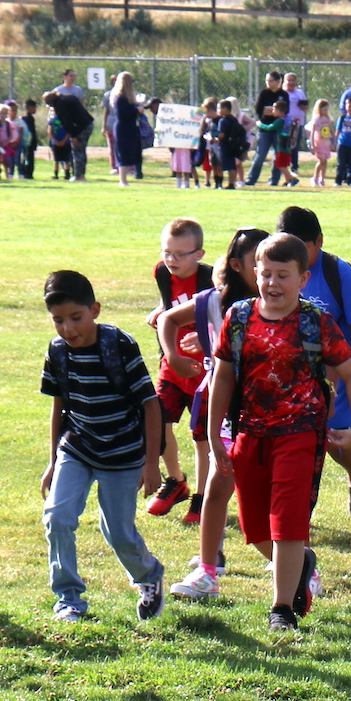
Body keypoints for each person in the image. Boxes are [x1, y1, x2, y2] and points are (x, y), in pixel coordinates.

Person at [202, 233, 351, 630]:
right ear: (253, 275)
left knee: (287, 521)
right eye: (265, 274)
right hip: (250, 433)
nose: (273, 283)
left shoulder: (316, 322)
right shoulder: (238, 318)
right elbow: (223, 378)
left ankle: (282, 610)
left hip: (301, 433)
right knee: (254, 526)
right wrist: (213, 434)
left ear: (303, 278)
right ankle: (302, 564)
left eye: (283, 275)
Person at [37, 270, 166, 623]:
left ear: (94, 309)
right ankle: (69, 599)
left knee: (119, 533)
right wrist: (52, 462)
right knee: (57, 518)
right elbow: (58, 407)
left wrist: (151, 463)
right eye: (58, 321)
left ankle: (149, 576)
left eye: (76, 318)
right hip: (76, 448)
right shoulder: (58, 351)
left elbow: (150, 404)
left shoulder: (118, 345)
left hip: (122, 454)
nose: (68, 329)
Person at [164, 227, 270, 600]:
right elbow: (169, 320)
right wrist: (175, 356)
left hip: (274, 416)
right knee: (216, 488)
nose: (264, 272)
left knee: (267, 501)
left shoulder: (285, 303)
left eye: (270, 264)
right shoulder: (213, 302)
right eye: (257, 263)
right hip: (227, 411)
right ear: (238, 265)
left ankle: (300, 565)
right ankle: (208, 570)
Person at [276, 206, 351, 517]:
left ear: (318, 241)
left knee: (334, 441)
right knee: (299, 440)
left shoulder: (338, 271)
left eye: (303, 246)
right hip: (294, 373)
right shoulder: (279, 269)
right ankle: (297, 511)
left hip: (337, 372)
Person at [145, 219, 207, 519]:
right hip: (171, 363)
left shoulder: (210, 279)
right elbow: (170, 299)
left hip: (204, 370)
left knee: (202, 436)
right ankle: (176, 481)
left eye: (181, 254)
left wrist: (206, 337)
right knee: (158, 423)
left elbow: (224, 310)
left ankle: (202, 497)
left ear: (199, 254)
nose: (172, 260)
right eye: (167, 252)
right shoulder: (161, 272)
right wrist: (161, 308)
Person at [247, 70, 288, 186]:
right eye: (266, 81)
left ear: (278, 81)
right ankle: (252, 178)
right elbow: (259, 109)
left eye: (270, 81)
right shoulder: (264, 93)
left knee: (277, 156)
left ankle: (274, 179)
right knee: (260, 155)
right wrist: (271, 111)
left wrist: (270, 111)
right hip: (264, 129)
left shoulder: (283, 95)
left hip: (277, 129)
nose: (268, 83)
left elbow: (285, 111)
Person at [45, 89, 95, 182]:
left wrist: (72, 136)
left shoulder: (59, 105)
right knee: (82, 151)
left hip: (80, 128)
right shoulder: (69, 97)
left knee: (77, 151)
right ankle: (82, 174)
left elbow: (67, 121)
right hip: (88, 124)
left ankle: (78, 175)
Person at [108, 74, 144, 186]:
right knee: (123, 153)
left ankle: (126, 178)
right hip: (123, 128)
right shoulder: (120, 97)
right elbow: (122, 113)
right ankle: (122, 180)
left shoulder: (128, 97)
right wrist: (136, 110)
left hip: (131, 127)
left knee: (130, 152)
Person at [308, 96, 334, 188]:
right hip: (318, 142)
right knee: (321, 160)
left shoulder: (327, 119)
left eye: (327, 110)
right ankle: (315, 177)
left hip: (326, 142)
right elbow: (312, 131)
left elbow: (331, 129)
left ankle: (322, 179)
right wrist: (312, 143)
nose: (326, 112)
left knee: (325, 161)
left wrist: (333, 140)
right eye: (324, 110)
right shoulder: (316, 119)